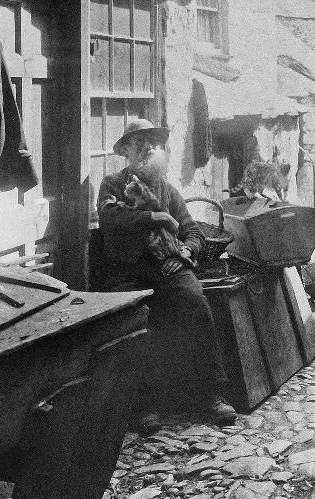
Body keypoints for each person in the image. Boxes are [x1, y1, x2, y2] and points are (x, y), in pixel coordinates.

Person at [97, 119, 237, 436]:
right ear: (126, 151)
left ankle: (211, 393)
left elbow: (192, 231)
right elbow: (110, 219)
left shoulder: (167, 190)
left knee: (195, 302)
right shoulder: (112, 185)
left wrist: (185, 253)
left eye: (151, 142)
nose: (146, 147)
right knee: (134, 320)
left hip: (167, 265)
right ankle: (142, 404)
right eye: (138, 142)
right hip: (128, 269)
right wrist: (154, 216)